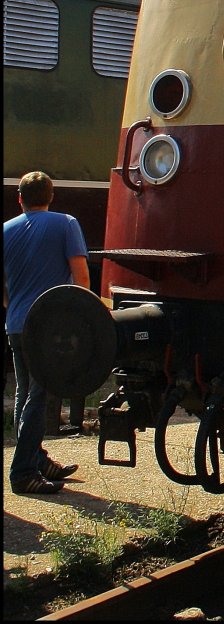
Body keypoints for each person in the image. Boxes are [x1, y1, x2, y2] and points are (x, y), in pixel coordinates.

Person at [3, 171, 88, 495]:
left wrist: (14, 308)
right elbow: (80, 276)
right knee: (38, 397)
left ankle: (37, 459)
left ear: (20, 198)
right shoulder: (66, 223)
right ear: (51, 197)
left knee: (25, 393)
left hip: (16, 323)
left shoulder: (5, 230)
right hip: (48, 327)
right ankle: (23, 472)